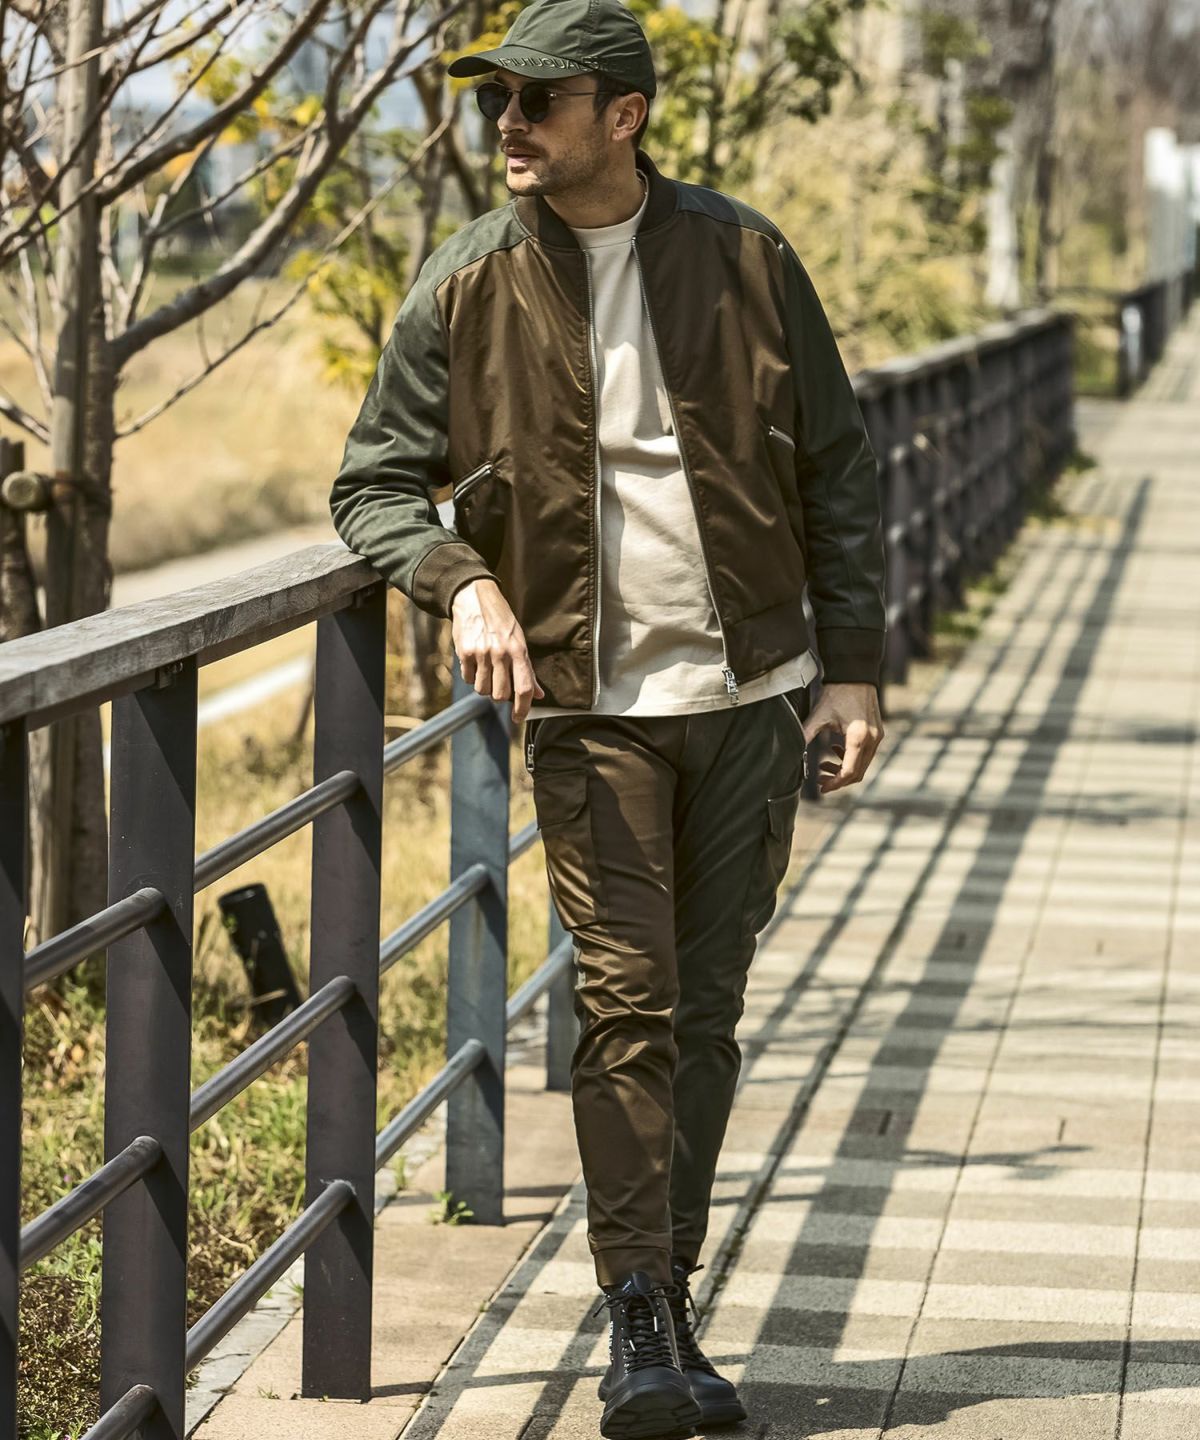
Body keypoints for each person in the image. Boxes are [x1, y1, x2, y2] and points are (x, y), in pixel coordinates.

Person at [330, 0, 886, 1433]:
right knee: (628, 1001)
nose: (508, 125)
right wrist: (461, 579)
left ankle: (670, 1291)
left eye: (539, 101)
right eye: (498, 101)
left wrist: (852, 666)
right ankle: (640, 1313)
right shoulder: (468, 281)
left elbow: (836, 468)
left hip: (750, 697)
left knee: (704, 1013)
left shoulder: (748, 258)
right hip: (590, 710)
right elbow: (373, 483)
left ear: (623, 116)